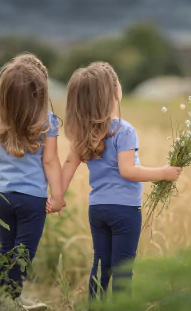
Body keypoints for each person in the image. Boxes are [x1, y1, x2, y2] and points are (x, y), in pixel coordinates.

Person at [47, 61, 182, 299]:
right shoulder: (124, 130)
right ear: (113, 93)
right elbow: (128, 171)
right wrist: (163, 173)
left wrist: (57, 197)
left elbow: (68, 164)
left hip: (97, 209)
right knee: (122, 270)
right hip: (125, 211)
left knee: (100, 266)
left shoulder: (83, 132)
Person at [0, 53, 65, 310]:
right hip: (32, 200)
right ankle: (9, 299)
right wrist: (58, 196)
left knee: (7, 249)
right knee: (22, 253)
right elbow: (51, 161)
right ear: (41, 93)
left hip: (3, 199)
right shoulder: (47, 122)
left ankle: (9, 297)